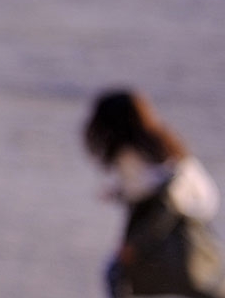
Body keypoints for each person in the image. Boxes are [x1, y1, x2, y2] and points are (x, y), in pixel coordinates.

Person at [84, 89, 225, 298]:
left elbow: (162, 201)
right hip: (193, 226)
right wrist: (120, 192)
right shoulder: (162, 141)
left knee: (116, 275)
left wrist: (134, 245)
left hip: (169, 231)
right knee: (202, 284)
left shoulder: (131, 152)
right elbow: (157, 185)